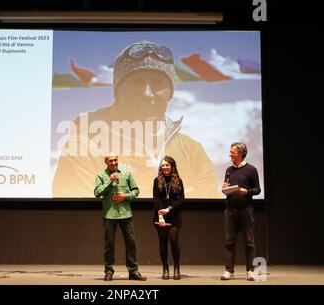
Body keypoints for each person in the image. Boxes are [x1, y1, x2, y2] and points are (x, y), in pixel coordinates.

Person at [53, 40, 220, 199]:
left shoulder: (192, 152)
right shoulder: (84, 147)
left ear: (169, 93)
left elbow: (206, 218)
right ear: (118, 91)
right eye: (137, 83)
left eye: (158, 84)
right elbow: (78, 217)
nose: (147, 94)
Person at [94, 153, 146, 281]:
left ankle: (133, 271)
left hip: (125, 213)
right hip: (109, 214)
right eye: (110, 161)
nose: (113, 163)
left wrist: (125, 196)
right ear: (106, 162)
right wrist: (109, 181)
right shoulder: (101, 176)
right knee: (109, 244)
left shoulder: (126, 173)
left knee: (131, 242)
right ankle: (109, 271)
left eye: (115, 160)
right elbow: (97, 193)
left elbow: (136, 190)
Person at [220, 142, 261, 281]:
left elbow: (257, 189)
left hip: (245, 211)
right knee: (229, 242)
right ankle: (229, 271)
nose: (230, 154)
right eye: (230, 152)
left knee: (249, 242)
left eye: (233, 152)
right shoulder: (229, 170)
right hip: (230, 211)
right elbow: (226, 187)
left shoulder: (251, 170)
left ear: (241, 153)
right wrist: (225, 187)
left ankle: (250, 271)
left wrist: (247, 191)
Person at [153, 156, 185, 280]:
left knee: (173, 240)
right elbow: (156, 199)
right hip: (160, 215)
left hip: (174, 215)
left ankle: (176, 268)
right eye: (163, 165)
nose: (165, 167)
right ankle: (165, 268)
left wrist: (169, 209)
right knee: (162, 242)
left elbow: (182, 200)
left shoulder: (178, 180)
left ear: (172, 167)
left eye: (167, 165)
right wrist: (161, 215)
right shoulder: (157, 180)